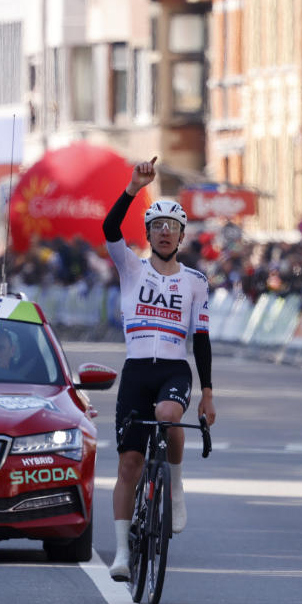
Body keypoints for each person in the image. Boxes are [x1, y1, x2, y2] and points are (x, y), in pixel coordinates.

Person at [102, 157, 217, 581]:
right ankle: (121, 554)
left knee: (170, 417)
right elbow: (109, 229)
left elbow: (201, 339)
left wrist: (207, 392)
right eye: (158, 227)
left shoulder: (195, 282)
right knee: (129, 463)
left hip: (173, 369)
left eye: (173, 228)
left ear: (182, 237)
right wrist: (132, 188)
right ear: (148, 234)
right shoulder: (131, 268)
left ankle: (177, 483)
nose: (165, 233)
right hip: (136, 370)